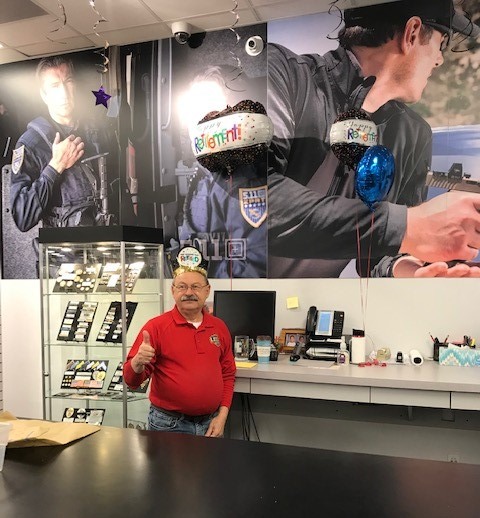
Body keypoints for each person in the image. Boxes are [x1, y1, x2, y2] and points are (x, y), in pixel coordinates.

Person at [267, 0, 480, 278]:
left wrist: (406, 269)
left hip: (318, 300)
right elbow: (258, 201)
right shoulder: (284, 73)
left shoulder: (413, 135)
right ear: (412, 33)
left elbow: (377, 256)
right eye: (441, 43)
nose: (439, 59)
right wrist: (407, 226)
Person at [9, 55, 117, 269]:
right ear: (44, 94)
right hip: (64, 265)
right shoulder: (31, 143)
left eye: (68, 82)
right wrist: (54, 166)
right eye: (55, 86)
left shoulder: (97, 132)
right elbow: (22, 217)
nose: (64, 93)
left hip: (105, 255)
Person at [123, 248, 236, 436]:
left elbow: (228, 374)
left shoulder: (219, 327)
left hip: (211, 422)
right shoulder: (155, 327)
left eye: (196, 287)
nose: (189, 292)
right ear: (173, 290)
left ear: (207, 291)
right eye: (182, 286)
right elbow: (131, 382)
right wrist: (137, 363)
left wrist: (222, 417)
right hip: (169, 424)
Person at [175, 65, 268, 278]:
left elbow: (252, 264)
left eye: (209, 110)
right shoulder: (204, 176)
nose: (198, 120)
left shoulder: (244, 178)